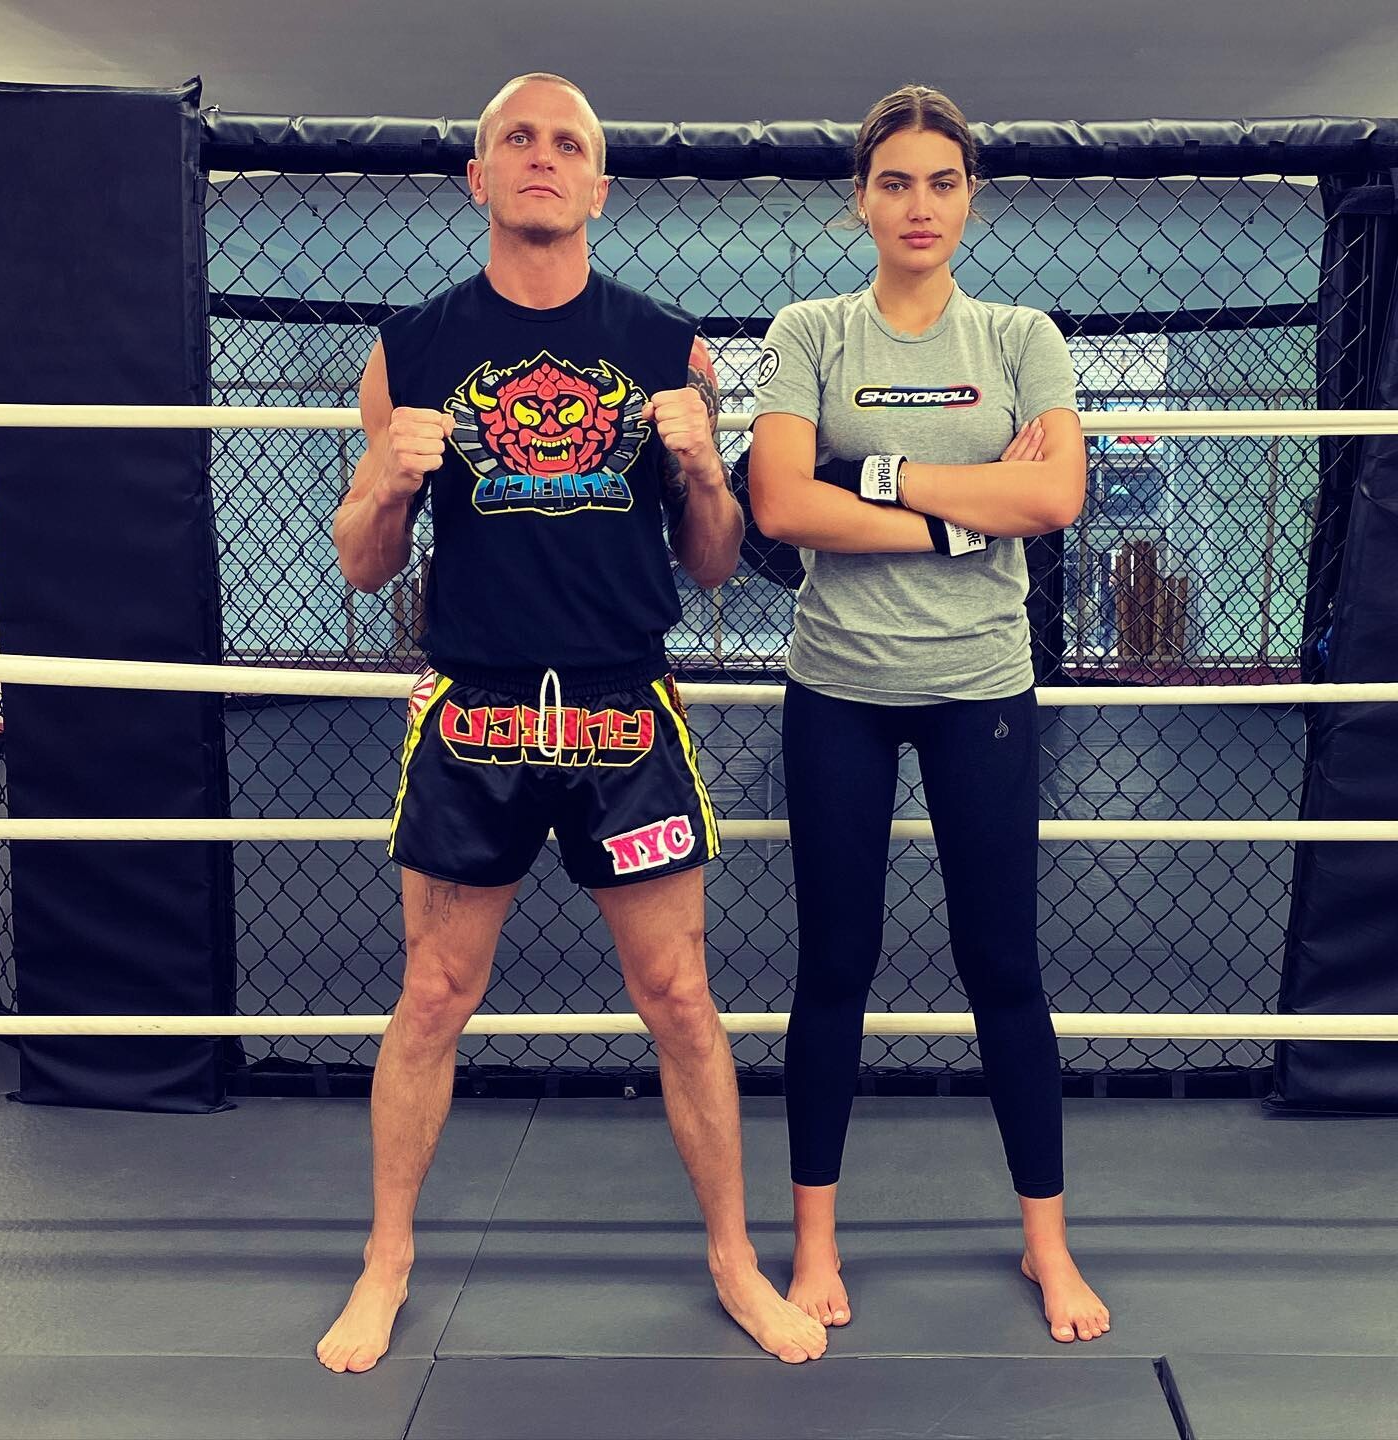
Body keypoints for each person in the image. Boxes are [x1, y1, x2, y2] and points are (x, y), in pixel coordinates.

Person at [317, 72, 827, 1373]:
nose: (541, 157)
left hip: (622, 711)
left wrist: (703, 470)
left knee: (681, 996)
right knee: (434, 993)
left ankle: (734, 1261)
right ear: (479, 177)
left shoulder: (671, 349)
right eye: (517, 139)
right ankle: (386, 1261)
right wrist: (388, 484)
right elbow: (364, 565)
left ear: (599, 185)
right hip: (474, 711)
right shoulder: (409, 349)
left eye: (567, 144)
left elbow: (714, 563)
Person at [748, 84, 1111, 1345]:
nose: (919, 204)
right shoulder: (811, 331)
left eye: (941, 182)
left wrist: (878, 476)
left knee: (1003, 965)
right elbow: (782, 504)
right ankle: (814, 1244)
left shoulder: (1019, 338)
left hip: (981, 687)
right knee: (834, 968)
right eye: (895, 181)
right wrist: (965, 510)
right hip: (838, 687)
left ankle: (1047, 1245)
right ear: (861, 198)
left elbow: (1054, 498)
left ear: (970, 200)